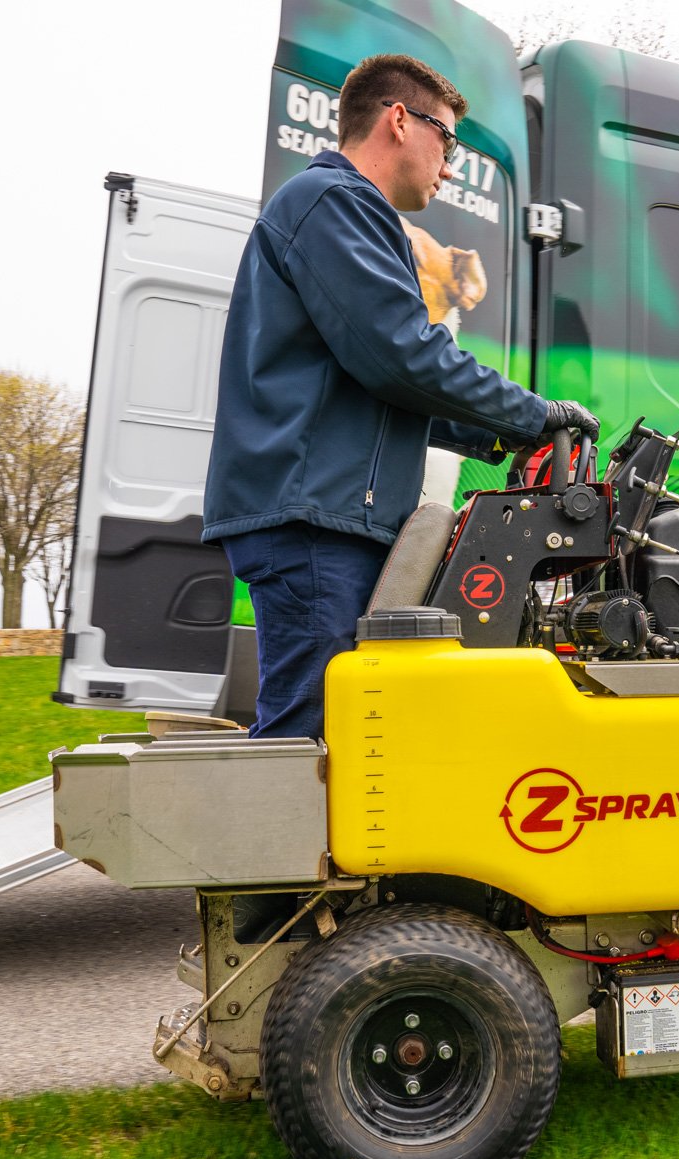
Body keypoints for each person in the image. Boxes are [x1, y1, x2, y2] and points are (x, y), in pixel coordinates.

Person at [202, 53, 597, 741]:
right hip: (314, 522)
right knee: (312, 737)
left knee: (347, 732)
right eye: (448, 140)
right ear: (397, 120)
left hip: (320, 513)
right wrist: (535, 414)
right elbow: (402, 357)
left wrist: (506, 434)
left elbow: (385, 377)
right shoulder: (335, 202)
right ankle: (280, 850)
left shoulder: (342, 211)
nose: (449, 165)